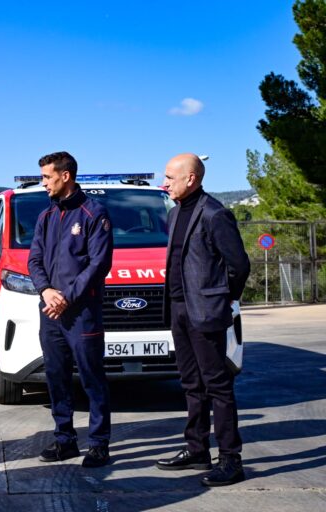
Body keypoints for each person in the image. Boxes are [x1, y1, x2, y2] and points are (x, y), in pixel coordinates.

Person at [155, 153, 250, 486]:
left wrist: (224, 298)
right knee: (191, 384)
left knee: (218, 387)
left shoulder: (214, 213)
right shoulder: (176, 212)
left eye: (169, 177)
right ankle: (197, 449)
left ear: (191, 179)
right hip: (179, 310)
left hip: (205, 312)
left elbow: (239, 265)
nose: (163, 183)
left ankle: (230, 459)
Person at [27, 151, 114, 468]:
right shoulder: (45, 217)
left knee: (92, 378)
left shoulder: (94, 214)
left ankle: (98, 443)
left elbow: (98, 264)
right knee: (56, 377)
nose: (44, 183)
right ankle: (64, 440)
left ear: (66, 176)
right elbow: (34, 260)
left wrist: (67, 296)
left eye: (47, 177)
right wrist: (46, 291)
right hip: (50, 313)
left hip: (82, 314)